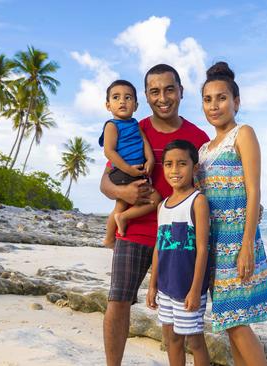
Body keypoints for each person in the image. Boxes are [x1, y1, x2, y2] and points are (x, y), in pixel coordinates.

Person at [100, 64, 210, 366]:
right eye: (155, 91)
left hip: (178, 240)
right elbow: (106, 182)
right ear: (146, 97)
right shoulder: (133, 128)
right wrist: (126, 194)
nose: (163, 97)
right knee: (118, 301)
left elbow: (207, 188)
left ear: (181, 92)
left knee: (181, 320)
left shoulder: (198, 137)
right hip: (134, 231)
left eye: (169, 89)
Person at [197, 61, 267, 366]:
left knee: (239, 324)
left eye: (221, 98)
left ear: (236, 102)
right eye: (207, 99)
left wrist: (246, 247)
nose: (214, 106)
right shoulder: (203, 149)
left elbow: (254, 191)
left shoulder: (243, 134)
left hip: (238, 243)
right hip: (215, 248)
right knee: (230, 325)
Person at [146, 139, 211, 366]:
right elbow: (158, 247)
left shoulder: (198, 201)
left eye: (181, 164)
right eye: (168, 164)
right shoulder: (162, 206)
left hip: (187, 289)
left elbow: (203, 249)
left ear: (194, 168)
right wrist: (153, 284)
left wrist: (195, 290)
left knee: (195, 341)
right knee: (171, 338)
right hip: (165, 286)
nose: (174, 170)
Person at [99, 79, 160, 248]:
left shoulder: (135, 124)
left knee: (132, 202)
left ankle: (120, 221)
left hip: (137, 170)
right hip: (123, 171)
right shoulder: (112, 126)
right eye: (116, 97)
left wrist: (150, 159)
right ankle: (110, 236)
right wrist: (128, 169)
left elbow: (144, 142)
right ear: (108, 105)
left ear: (136, 105)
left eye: (128, 98)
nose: (122, 101)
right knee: (146, 199)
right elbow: (109, 152)